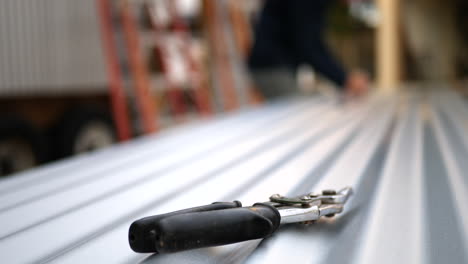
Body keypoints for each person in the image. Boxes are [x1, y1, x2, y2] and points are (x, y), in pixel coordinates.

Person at [248, 0, 369, 99]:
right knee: (293, 116)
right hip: (272, 66)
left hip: (278, 64)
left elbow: (312, 44)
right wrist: (345, 79)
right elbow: (310, 47)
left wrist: (344, 78)